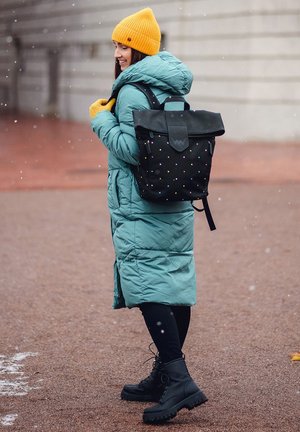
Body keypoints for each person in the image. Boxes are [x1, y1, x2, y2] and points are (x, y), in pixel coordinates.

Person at [89, 7, 207, 424]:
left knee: (147, 284)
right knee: (172, 280)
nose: (118, 52)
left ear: (138, 48)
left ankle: (178, 379)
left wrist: (100, 118)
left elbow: (133, 150)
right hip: (173, 198)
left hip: (141, 203)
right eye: (117, 45)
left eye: (123, 44)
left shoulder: (135, 90)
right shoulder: (171, 89)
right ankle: (163, 375)